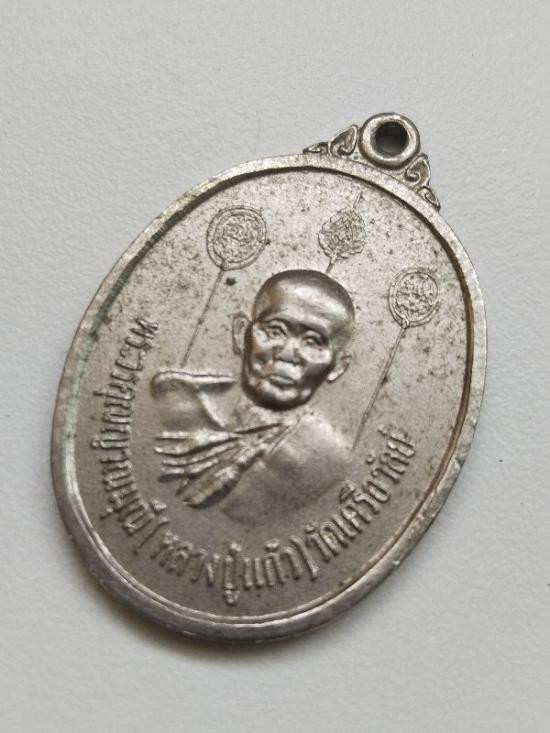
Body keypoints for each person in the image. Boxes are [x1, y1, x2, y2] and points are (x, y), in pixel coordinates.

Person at [151, 269, 355, 525]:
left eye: (313, 342)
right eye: (276, 330)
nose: (287, 354)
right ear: (241, 333)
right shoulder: (176, 401)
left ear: (338, 367)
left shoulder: (323, 459)